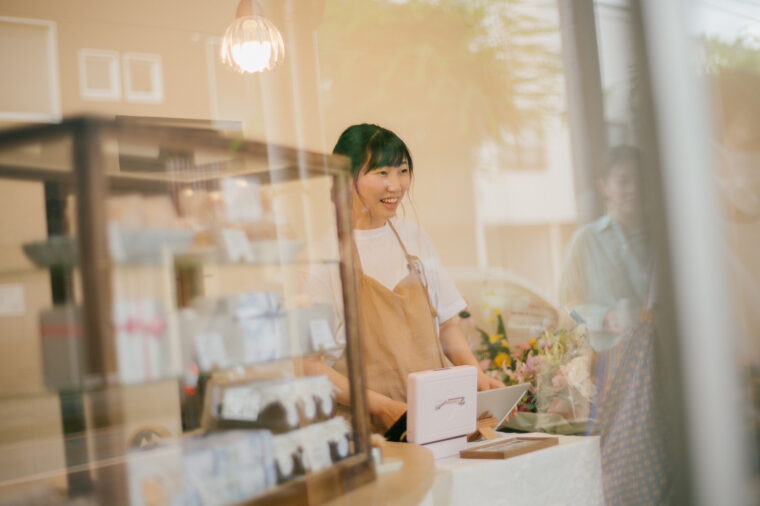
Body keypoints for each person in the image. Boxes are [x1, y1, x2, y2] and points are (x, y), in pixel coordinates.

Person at [305, 123, 504, 432]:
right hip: (367, 436)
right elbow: (310, 366)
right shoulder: (323, 256)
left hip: (437, 423)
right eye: (382, 172)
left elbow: (448, 328)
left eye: (402, 171)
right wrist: (384, 407)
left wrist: (476, 375)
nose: (395, 186)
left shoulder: (415, 240)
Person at [558, 146, 650, 351]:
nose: (633, 188)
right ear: (604, 186)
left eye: (638, 179)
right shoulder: (585, 240)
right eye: (623, 181)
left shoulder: (657, 240)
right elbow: (565, 312)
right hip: (609, 369)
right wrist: (604, 317)